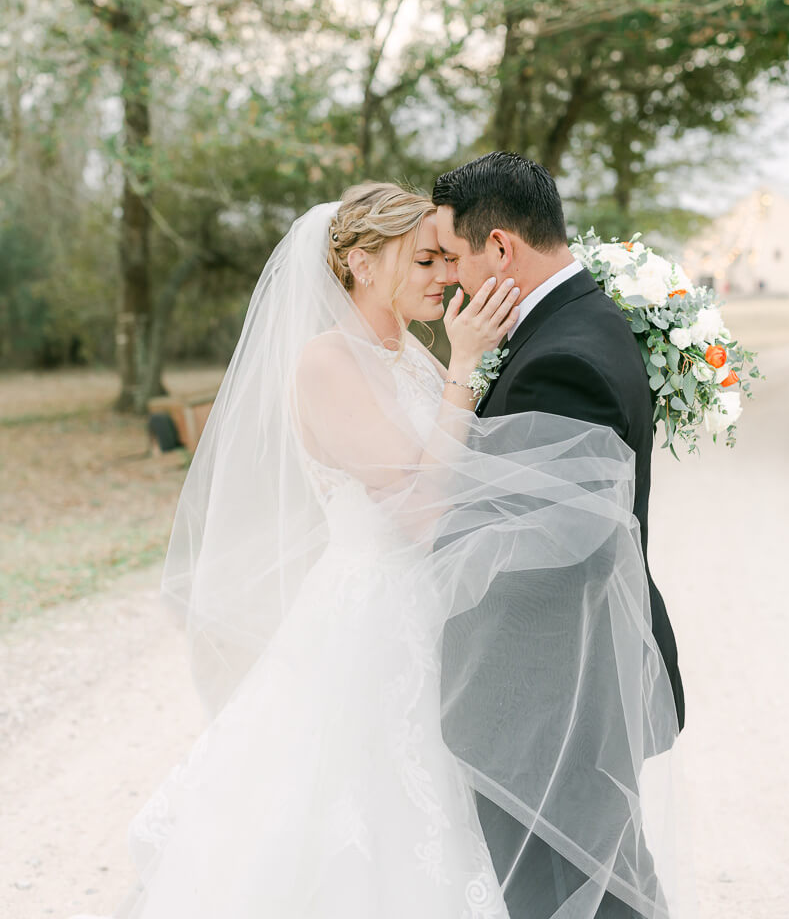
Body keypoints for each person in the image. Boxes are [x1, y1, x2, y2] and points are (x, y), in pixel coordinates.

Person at [88, 182, 681, 919]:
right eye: (425, 259)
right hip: (371, 626)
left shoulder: (412, 357)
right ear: (363, 265)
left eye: (445, 258)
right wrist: (466, 370)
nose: (444, 276)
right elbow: (425, 507)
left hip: (440, 618)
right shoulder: (326, 365)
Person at [433, 152, 685, 918]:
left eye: (454, 258)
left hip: (548, 695)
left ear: (502, 247)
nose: (451, 282)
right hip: (565, 685)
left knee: (571, 892)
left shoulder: (561, 360)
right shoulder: (578, 319)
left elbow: (555, 552)